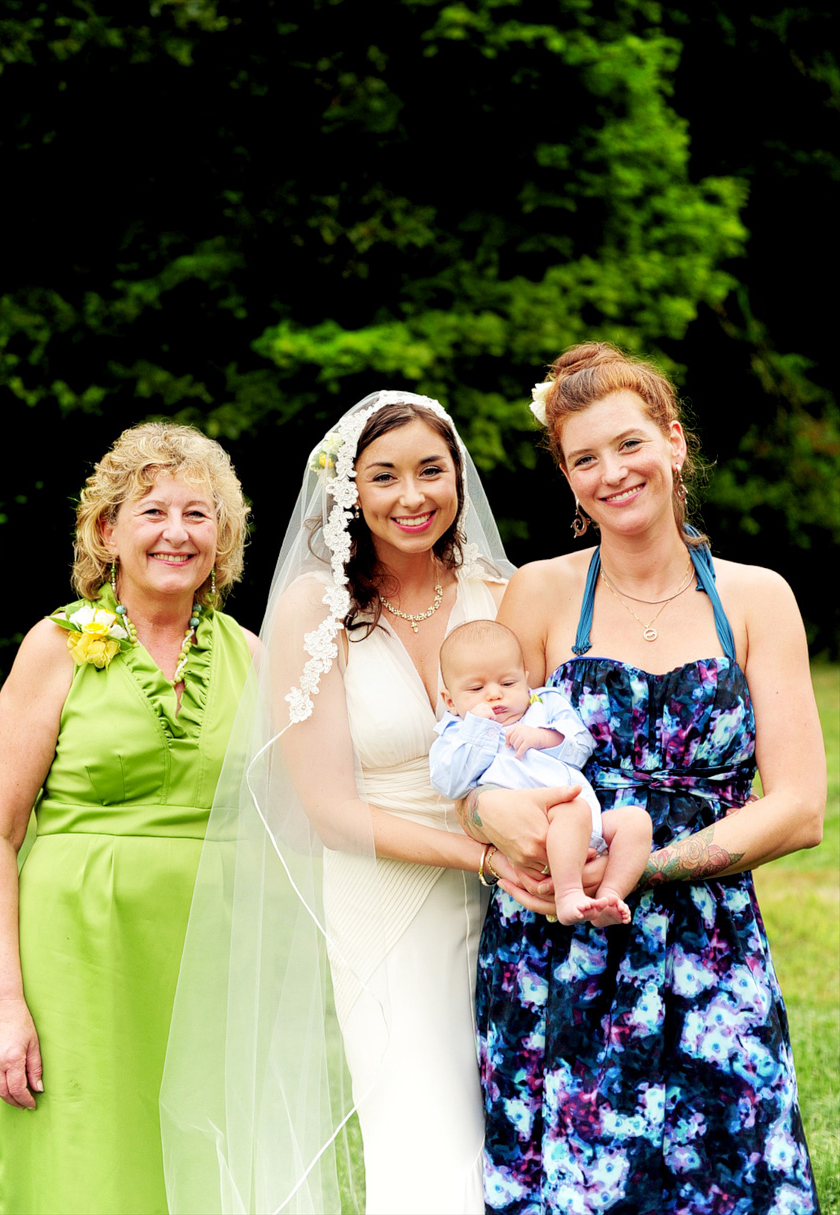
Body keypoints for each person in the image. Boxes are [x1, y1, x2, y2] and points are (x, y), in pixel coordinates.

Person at [161, 390, 577, 1215]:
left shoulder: (506, 591)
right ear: (350, 489)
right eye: (383, 475)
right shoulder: (316, 609)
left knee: (525, 1128)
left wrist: (525, 855)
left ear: (459, 475)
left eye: (431, 469)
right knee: (424, 1132)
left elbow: (554, 731)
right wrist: (487, 856)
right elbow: (329, 811)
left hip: (526, 894)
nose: (411, 495)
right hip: (388, 894)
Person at [467, 343, 824, 1213]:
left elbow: (801, 807)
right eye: (584, 458)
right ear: (566, 477)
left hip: (710, 947)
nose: (612, 473)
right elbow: (481, 760)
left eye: (628, 445)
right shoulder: (539, 594)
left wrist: (651, 868)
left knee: (732, 1180)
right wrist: (499, 822)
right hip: (559, 949)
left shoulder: (756, 596)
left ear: (673, 443)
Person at [0, 422, 257, 1215]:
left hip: (210, 956)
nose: (176, 532)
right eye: (153, 511)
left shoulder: (252, 655)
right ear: (107, 530)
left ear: (223, 535)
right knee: (84, 1164)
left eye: (199, 514)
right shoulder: (55, 646)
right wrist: (2, 1002)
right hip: (78, 961)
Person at [430, 619, 652, 927]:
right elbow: (450, 783)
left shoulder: (545, 704)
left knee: (635, 822)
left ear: (525, 679)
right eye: (477, 688)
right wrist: (478, 728)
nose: (495, 696)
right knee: (571, 810)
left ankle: (609, 896)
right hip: (537, 826)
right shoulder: (456, 733)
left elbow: (581, 745)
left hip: (588, 818)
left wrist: (543, 737)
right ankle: (569, 893)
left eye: (507, 684)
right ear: (451, 700)